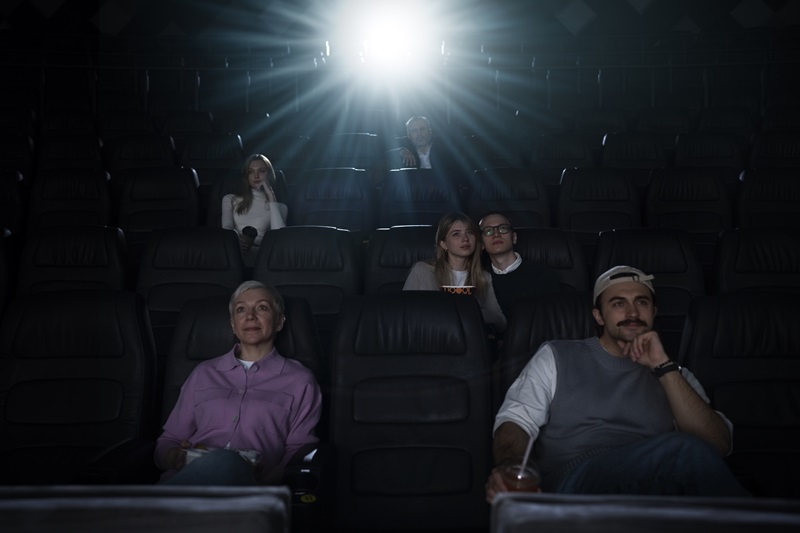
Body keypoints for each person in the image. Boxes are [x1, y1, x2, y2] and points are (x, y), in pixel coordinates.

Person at [485, 265, 749, 500]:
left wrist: (663, 368)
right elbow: (515, 422)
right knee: (683, 452)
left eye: (642, 302)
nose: (632, 312)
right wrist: (510, 469)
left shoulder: (674, 374)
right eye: (619, 303)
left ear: (654, 312)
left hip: (652, 493)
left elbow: (718, 446)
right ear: (598, 316)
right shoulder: (556, 355)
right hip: (574, 482)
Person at [154, 280, 321, 485]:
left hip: (251, 490)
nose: (250, 316)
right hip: (188, 481)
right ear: (234, 325)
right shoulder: (203, 373)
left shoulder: (301, 380)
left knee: (226, 462)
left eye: (262, 307)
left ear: (279, 321)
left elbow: (299, 452)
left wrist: (268, 480)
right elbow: (167, 442)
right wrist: (175, 457)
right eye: (241, 309)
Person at [403, 212, 506, 334]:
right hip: (429, 341)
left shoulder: (484, 277)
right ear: (444, 244)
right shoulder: (422, 271)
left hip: (470, 344)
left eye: (470, 232)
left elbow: (500, 322)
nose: (465, 239)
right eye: (456, 234)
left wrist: (468, 313)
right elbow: (404, 316)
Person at [478, 212, 560, 319]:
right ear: (482, 244)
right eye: (488, 231)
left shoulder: (542, 275)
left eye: (503, 228)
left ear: (514, 238)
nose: (496, 234)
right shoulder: (480, 281)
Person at [221, 154, 288, 266]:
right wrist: (237, 241)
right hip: (234, 252)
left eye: (261, 171)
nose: (256, 176)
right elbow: (226, 231)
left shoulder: (280, 207)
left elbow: (279, 238)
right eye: (251, 172)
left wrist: (271, 197)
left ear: (269, 174)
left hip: (263, 258)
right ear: (247, 176)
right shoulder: (230, 199)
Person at [387, 116, 462, 173]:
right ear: (409, 136)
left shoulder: (444, 149)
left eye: (422, 129)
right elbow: (384, 150)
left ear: (430, 132)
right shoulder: (406, 146)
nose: (419, 134)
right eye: (414, 131)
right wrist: (402, 151)